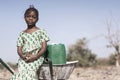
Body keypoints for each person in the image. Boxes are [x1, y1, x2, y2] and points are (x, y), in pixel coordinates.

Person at [11, 5, 49, 80]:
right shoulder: (22, 34)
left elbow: (44, 47)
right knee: (20, 73)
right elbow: (19, 49)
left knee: (30, 73)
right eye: (28, 16)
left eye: (33, 17)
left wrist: (36, 56)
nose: (30, 18)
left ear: (37, 19)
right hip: (24, 58)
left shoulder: (41, 32)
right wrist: (22, 56)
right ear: (25, 18)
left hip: (37, 57)